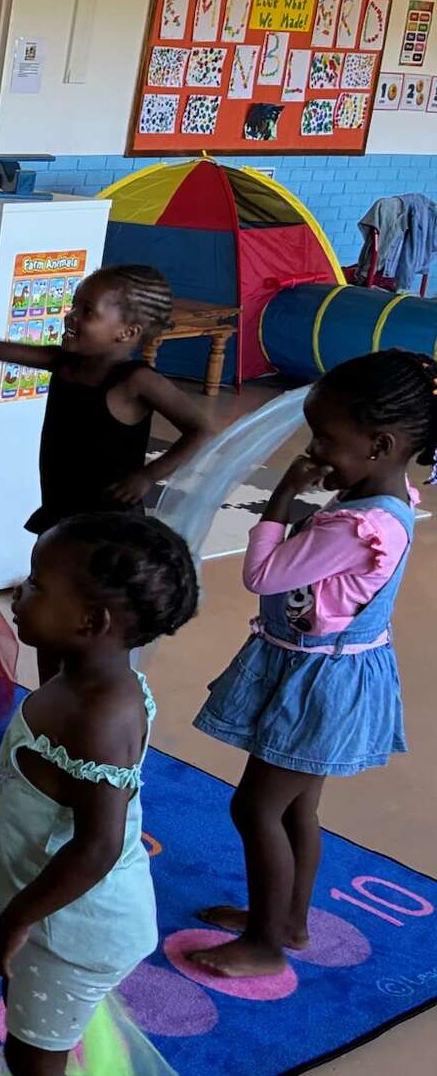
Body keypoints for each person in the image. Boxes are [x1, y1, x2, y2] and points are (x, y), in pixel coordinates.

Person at [0, 512, 198, 1076]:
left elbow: (96, 847)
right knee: (37, 1036)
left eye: (38, 584)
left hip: (78, 924)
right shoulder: (88, 675)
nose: (21, 591)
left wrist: (16, 920)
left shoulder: (99, 711)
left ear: (93, 620)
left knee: (34, 1060)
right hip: (62, 913)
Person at [189, 350, 432, 978]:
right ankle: (287, 920)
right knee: (296, 806)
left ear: (380, 443)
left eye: (326, 436)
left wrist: (284, 493)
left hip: (317, 681)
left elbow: (261, 574)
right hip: (330, 671)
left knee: (256, 808)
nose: (314, 446)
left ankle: (267, 945)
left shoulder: (357, 524)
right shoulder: (388, 494)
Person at [0, 265, 212, 681]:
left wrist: (148, 475)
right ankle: (50, 692)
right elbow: (7, 350)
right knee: (48, 615)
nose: (71, 317)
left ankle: (90, 695)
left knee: (93, 622)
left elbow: (201, 429)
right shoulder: (66, 363)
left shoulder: (136, 380)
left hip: (110, 530)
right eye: (74, 306)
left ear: (127, 332)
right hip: (62, 517)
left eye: (87, 311)